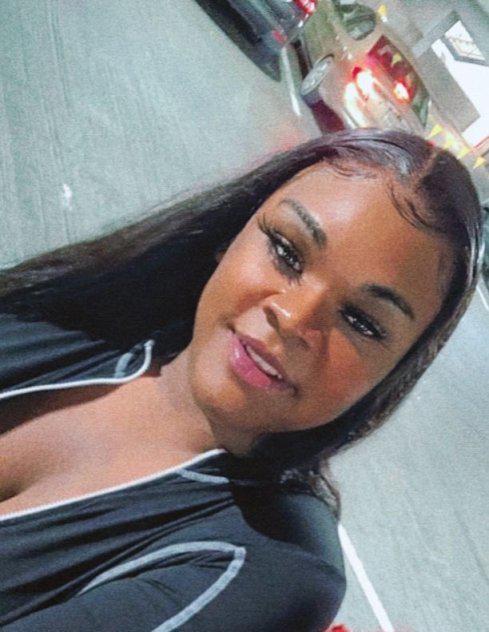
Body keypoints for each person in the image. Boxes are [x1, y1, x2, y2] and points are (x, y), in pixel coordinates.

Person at [0, 129, 483, 631]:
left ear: (391, 376)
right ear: (232, 235)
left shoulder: (269, 566)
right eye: (286, 252)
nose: (293, 318)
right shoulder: (71, 315)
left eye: (361, 321)